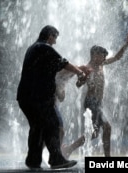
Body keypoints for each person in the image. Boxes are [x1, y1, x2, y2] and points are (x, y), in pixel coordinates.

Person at [16, 25, 88, 169]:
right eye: (55, 37)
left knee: (38, 128)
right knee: (53, 125)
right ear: (50, 35)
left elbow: (57, 69)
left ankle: (33, 161)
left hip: (26, 97)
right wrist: (80, 73)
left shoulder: (33, 48)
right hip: (38, 97)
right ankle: (56, 159)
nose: (55, 41)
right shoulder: (44, 47)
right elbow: (64, 63)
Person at [77, 32, 128, 157]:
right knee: (107, 127)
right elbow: (78, 84)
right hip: (91, 102)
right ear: (95, 55)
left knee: (95, 133)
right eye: (102, 55)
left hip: (98, 103)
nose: (104, 58)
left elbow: (117, 57)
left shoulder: (101, 65)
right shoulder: (87, 68)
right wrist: (83, 79)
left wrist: (126, 45)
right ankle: (108, 158)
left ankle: (70, 148)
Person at [54, 66, 92, 159]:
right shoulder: (67, 70)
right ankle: (57, 156)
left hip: (51, 104)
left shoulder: (70, 75)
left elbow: (61, 97)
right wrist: (59, 91)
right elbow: (56, 82)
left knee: (55, 131)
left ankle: (36, 154)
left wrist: (61, 92)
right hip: (47, 104)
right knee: (60, 130)